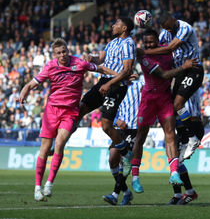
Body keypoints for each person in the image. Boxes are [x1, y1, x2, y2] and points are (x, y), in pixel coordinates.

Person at [17, 38, 116, 201]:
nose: (62, 55)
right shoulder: (50, 67)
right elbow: (32, 84)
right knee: (45, 147)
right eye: (59, 53)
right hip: (51, 111)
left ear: (68, 51)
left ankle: (49, 184)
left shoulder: (80, 63)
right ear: (54, 55)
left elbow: (101, 69)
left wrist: (120, 75)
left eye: (64, 51)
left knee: (60, 143)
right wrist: (23, 93)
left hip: (70, 112)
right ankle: (37, 187)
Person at [131, 28, 199, 193]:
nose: (148, 44)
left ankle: (174, 172)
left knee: (170, 135)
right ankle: (135, 178)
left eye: (151, 42)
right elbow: (164, 75)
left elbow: (175, 52)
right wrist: (184, 67)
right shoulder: (143, 56)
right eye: (146, 42)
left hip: (164, 98)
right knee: (140, 137)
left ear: (157, 41)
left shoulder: (167, 51)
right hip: (148, 99)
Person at [144, 12, 204, 161]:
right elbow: (159, 44)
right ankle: (185, 139)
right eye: (166, 29)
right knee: (170, 108)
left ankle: (192, 138)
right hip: (180, 73)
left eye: (170, 28)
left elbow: (170, 48)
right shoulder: (166, 31)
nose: (168, 31)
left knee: (178, 104)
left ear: (173, 20)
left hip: (193, 69)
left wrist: (145, 52)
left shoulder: (186, 28)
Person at [79, 17, 136, 173]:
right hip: (103, 82)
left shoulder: (128, 44)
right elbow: (100, 59)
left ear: (124, 28)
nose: (112, 25)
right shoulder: (112, 42)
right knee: (81, 108)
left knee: (106, 125)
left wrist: (110, 84)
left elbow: (127, 71)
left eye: (116, 24)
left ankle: (126, 154)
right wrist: (91, 58)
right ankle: (59, 142)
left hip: (116, 86)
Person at [103, 79, 143, 206]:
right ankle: (126, 192)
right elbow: (106, 111)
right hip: (119, 129)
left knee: (124, 162)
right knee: (112, 158)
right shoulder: (114, 88)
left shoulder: (139, 84)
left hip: (134, 128)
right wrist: (116, 121)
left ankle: (115, 195)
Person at [168, 88, 203, 205]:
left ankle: (189, 192)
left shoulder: (189, 84)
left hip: (192, 125)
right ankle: (179, 194)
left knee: (176, 160)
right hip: (182, 126)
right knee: (174, 159)